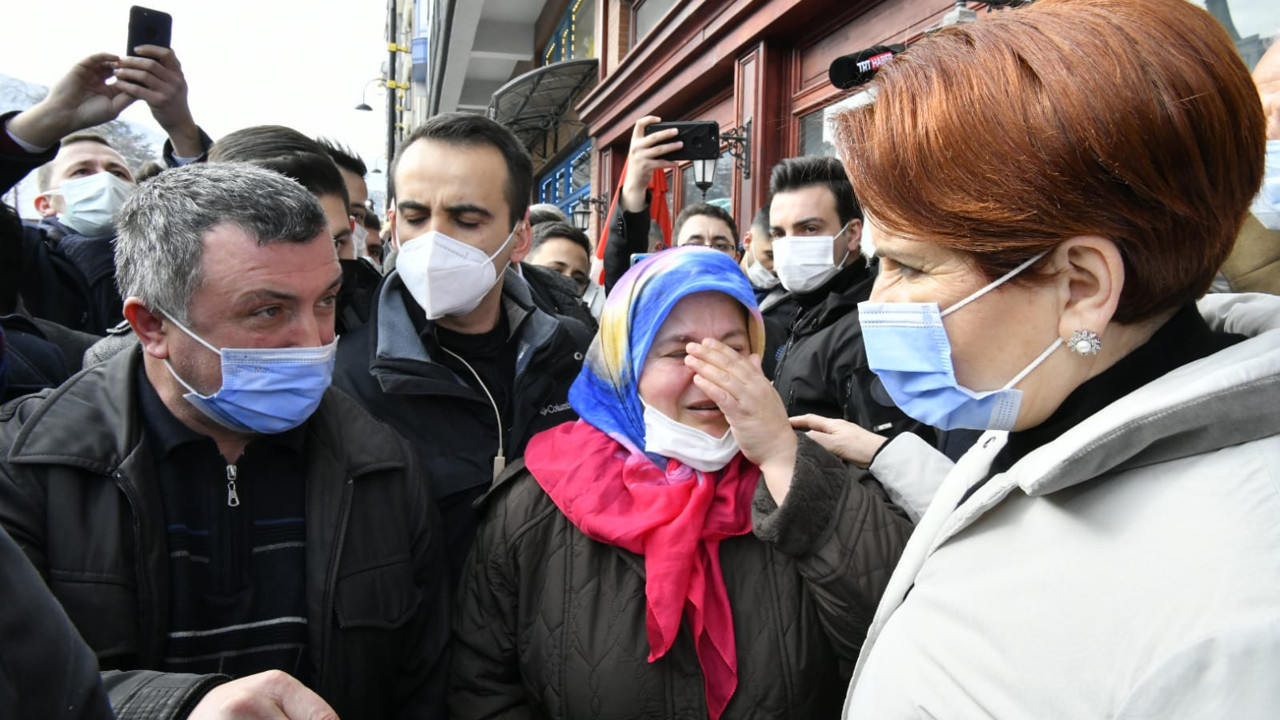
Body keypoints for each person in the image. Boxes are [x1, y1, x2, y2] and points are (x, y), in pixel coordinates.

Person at [828, 0, 1280, 716]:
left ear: (1082, 290)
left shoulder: (1240, 621)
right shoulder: (1049, 398)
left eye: (911, 270)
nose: (875, 301)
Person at [0, 163, 450, 720]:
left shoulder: (382, 465)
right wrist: (178, 707)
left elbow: (424, 684)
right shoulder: (27, 471)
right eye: (268, 311)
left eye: (327, 301)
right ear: (152, 326)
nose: (313, 340)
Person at [450, 247, 912, 719]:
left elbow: (900, 646)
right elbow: (483, 686)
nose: (713, 380)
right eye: (678, 352)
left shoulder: (810, 474)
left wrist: (784, 461)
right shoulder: (534, 505)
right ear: (624, 364)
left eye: (733, 350)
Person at [334, 113, 592, 583]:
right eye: (415, 217)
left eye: (467, 219)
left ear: (520, 237)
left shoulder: (572, 354)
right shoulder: (347, 379)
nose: (435, 240)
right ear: (391, 224)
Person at [1, 48, 212, 334]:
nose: (104, 180)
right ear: (44, 204)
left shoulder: (169, 257)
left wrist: (181, 129)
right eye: (81, 172)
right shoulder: (20, 254)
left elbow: (214, 219)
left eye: (117, 173)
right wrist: (50, 117)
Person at [765, 155, 933, 446]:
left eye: (809, 229)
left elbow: (889, 463)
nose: (790, 245)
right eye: (779, 233)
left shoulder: (874, 327)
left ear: (853, 234)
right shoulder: (810, 311)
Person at [740, 205, 797, 324]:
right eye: (771, 255)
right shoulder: (713, 282)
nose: (777, 267)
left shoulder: (797, 301)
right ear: (748, 242)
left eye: (785, 258)